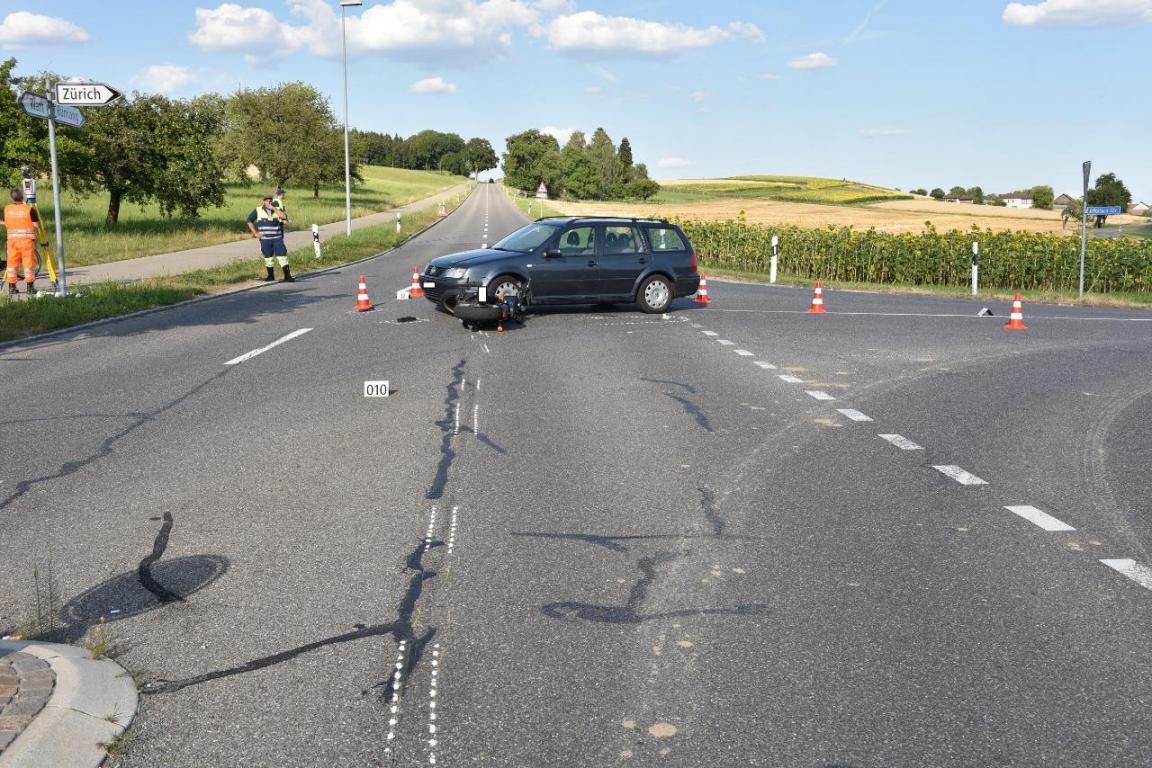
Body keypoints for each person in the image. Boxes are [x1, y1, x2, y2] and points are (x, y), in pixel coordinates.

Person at [246, 194, 293, 282]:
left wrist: (274, 208)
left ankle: (288, 276)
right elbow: (249, 221)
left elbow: (284, 217)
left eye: (270, 200)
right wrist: (255, 233)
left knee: (282, 256)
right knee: (268, 257)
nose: (269, 202)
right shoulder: (258, 210)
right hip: (265, 239)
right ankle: (270, 276)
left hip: (277, 238)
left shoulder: (277, 209)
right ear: (263, 201)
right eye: (267, 200)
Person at [3, 188, 40, 295]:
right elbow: (36, 225)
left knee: (12, 265)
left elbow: (3, 222)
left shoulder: (6, 209)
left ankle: (12, 288)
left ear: (12, 197)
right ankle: (30, 288)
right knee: (28, 264)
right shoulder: (29, 209)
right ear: (22, 196)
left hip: (12, 242)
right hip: (26, 241)